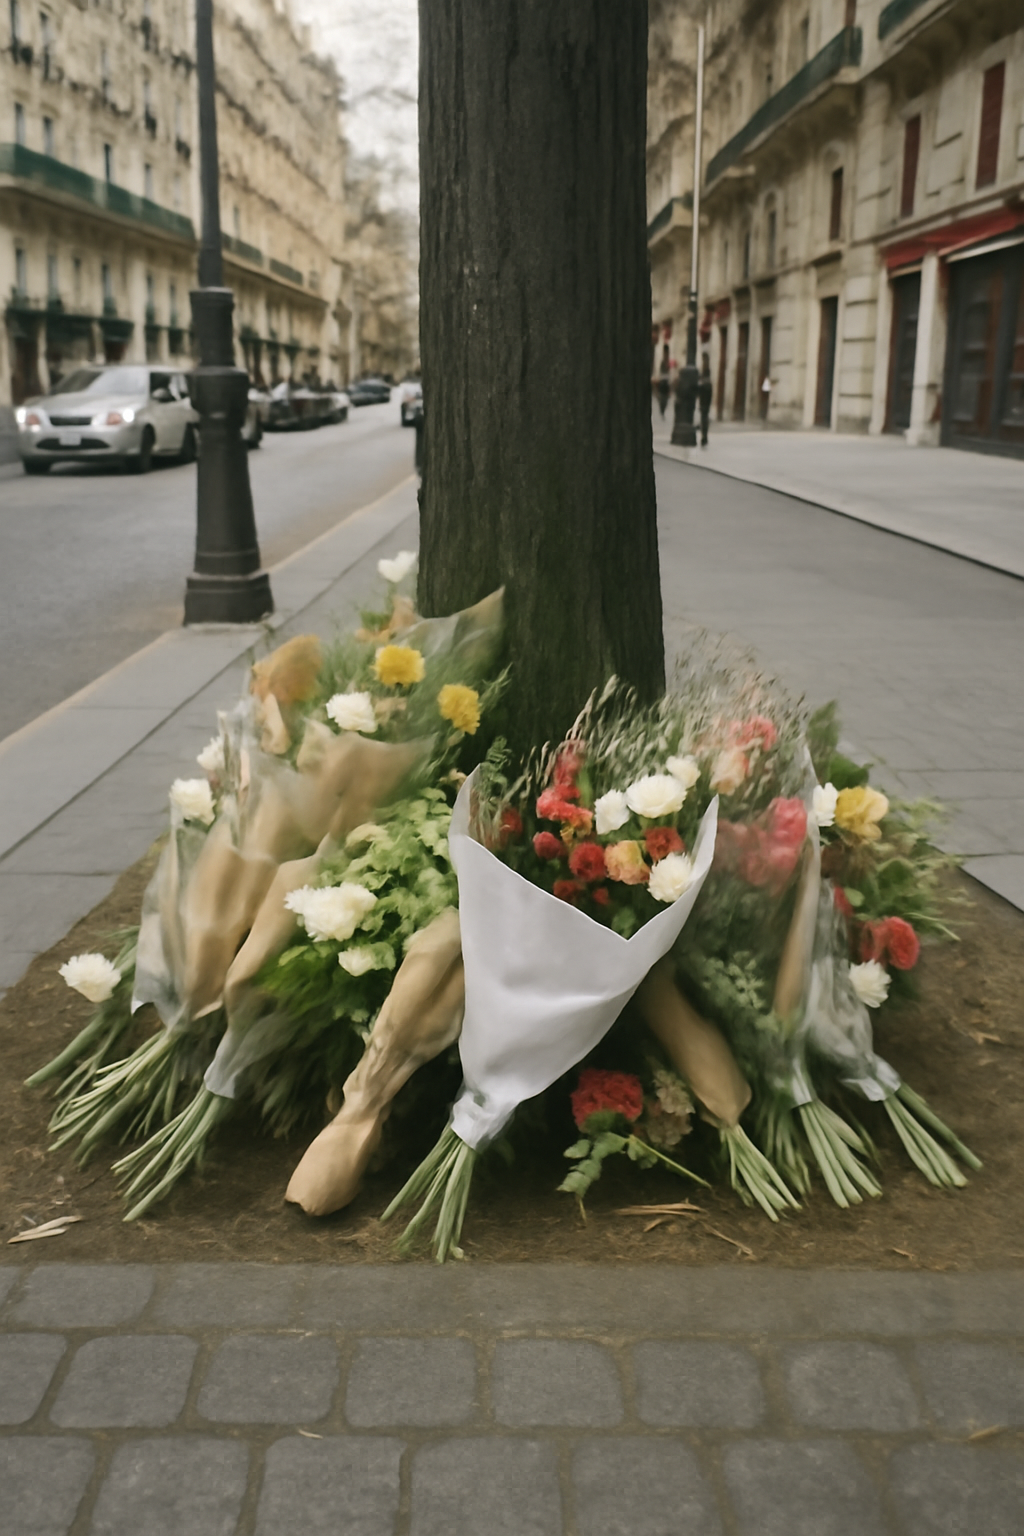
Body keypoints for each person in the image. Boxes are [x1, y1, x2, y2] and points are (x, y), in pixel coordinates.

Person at [697, 352, 713, 447]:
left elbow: (704, 382)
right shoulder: (705, 369)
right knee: (704, 416)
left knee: (704, 416)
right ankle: (704, 436)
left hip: (705, 392)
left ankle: (704, 437)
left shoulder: (706, 369)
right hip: (706, 392)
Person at [657, 342, 672, 419]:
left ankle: (663, 410)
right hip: (662, 380)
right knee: (662, 397)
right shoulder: (662, 360)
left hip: (666, 381)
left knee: (665, 398)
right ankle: (661, 410)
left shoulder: (667, 359)